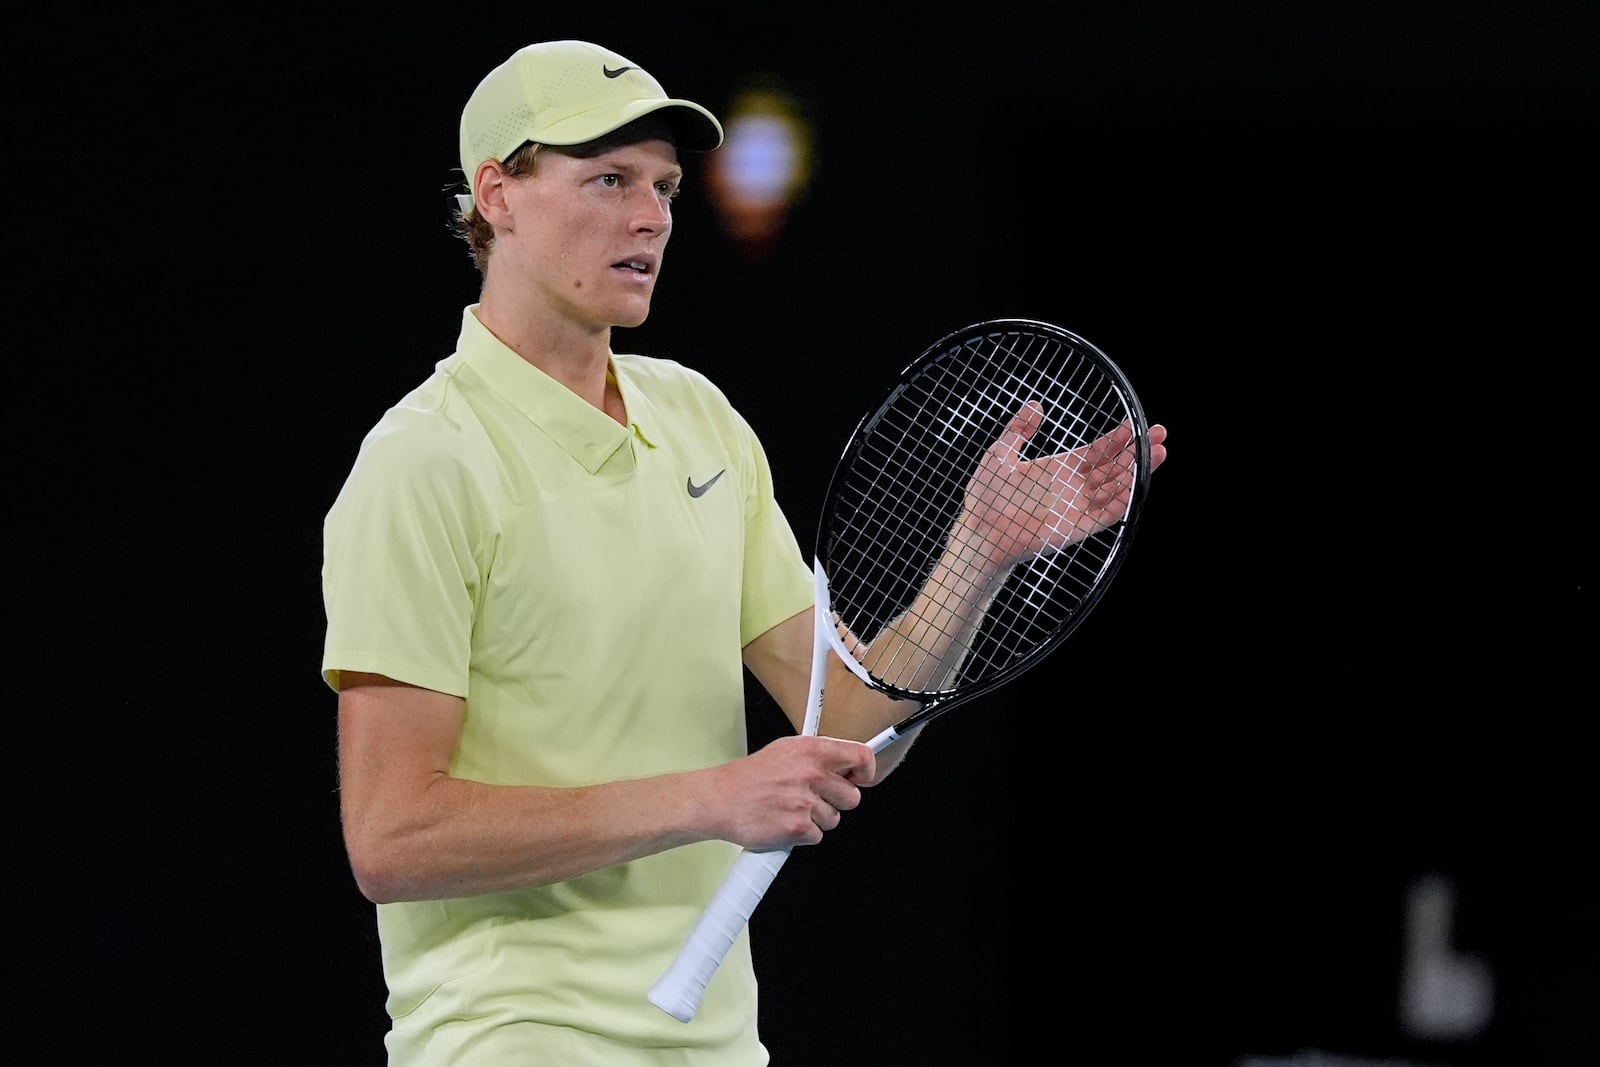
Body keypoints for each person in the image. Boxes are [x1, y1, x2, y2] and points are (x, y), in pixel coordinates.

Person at [321, 38, 1168, 1065]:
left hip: (714, 1042)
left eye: (666, 188)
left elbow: (845, 717)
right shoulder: (423, 463)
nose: (650, 218)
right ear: (497, 194)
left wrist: (976, 552)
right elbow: (393, 835)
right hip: (514, 1035)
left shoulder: (698, 420)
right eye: (608, 180)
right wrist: (708, 796)